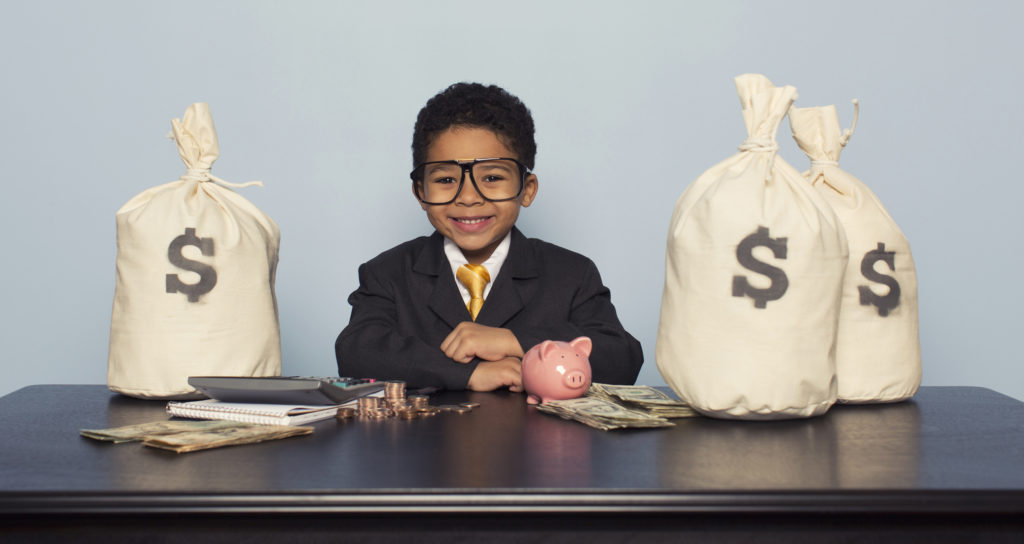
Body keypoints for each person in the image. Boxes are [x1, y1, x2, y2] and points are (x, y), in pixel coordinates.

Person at [335, 82, 643, 392]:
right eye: (445, 179)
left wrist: (514, 342)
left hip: (537, 440)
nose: (468, 198)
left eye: (492, 177)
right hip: (424, 440)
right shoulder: (388, 272)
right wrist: (470, 373)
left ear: (527, 189)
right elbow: (357, 352)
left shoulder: (571, 273)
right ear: (420, 192)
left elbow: (621, 358)